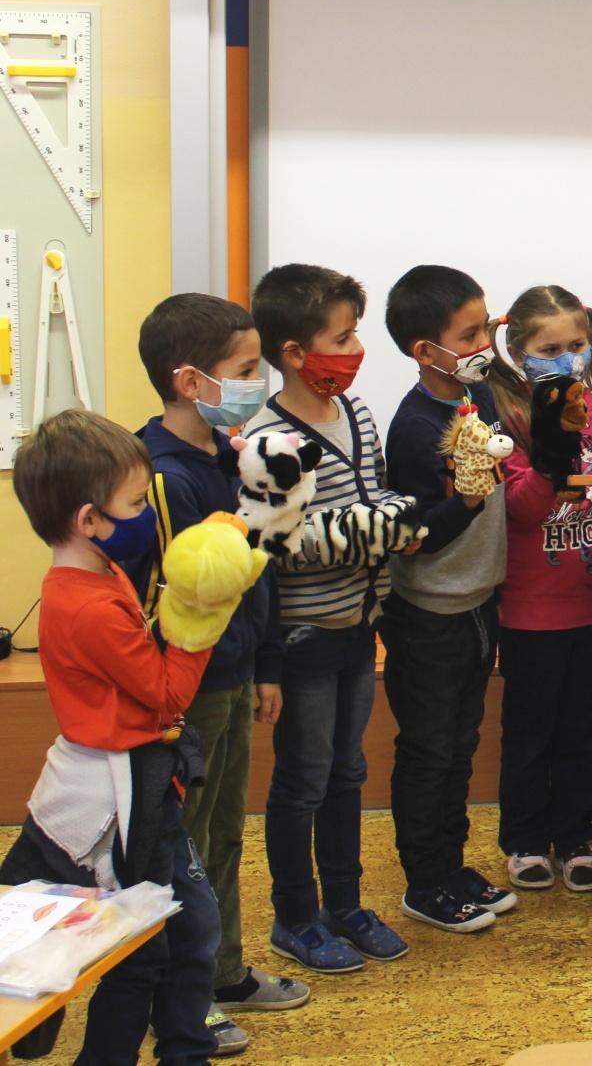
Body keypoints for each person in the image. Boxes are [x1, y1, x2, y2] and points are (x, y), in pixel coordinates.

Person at [0, 409, 221, 1065]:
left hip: (138, 772)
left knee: (185, 926)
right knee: (140, 948)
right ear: (89, 519)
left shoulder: (100, 573)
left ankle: (185, 1044)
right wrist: (201, 621)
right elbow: (167, 693)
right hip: (121, 792)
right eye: (135, 503)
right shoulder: (89, 605)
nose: (147, 514)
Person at [129, 295, 308, 1051]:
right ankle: (184, 995)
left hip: (236, 675)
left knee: (227, 832)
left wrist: (266, 664)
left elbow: (258, 568)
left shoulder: (231, 456)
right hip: (189, 689)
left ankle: (224, 969)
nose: (258, 382)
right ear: (190, 381)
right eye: (245, 369)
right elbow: (181, 596)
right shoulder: (159, 475)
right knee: (186, 849)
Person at [247, 264, 416, 973]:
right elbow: (277, 545)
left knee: (348, 770)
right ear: (294, 352)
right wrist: (373, 529)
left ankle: (345, 903)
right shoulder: (268, 438)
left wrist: (386, 520)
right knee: (303, 779)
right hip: (305, 635)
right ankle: (295, 915)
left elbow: (374, 500)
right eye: (342, 338)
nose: (356, 350)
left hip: (359, 626)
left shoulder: (356, 413)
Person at [380, 265, 517, 932]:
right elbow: (417, 539)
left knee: (460, 747)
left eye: (486, 328)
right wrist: (465, 499)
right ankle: (424, 882)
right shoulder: (413, 427)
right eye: (469, 336)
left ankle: (451, 865)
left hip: (478, 604)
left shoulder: (479, 396)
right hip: (430, 615)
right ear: (426, 351)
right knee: (429, 751)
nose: (484, 344)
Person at [489, 286, 592, 895]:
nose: (566, 358)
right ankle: (524, 840)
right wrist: (549, 455)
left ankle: (574, 837)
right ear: (518, 352)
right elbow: (521, 509)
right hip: (531, 613)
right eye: (548, 349)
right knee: (530, 734)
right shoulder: (506, 420)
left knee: (584, 732)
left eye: (576, 345)